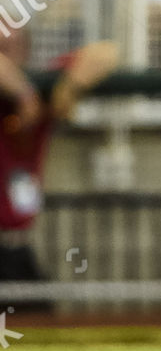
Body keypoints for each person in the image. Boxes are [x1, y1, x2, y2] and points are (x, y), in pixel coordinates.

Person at [0, 42, 119, 303]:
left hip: (17, 247)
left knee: (40, 321)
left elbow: (107, 52)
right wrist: (24, 93)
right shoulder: (26, 92)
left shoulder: (44, 88)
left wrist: (69, 88)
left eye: (11, 46)